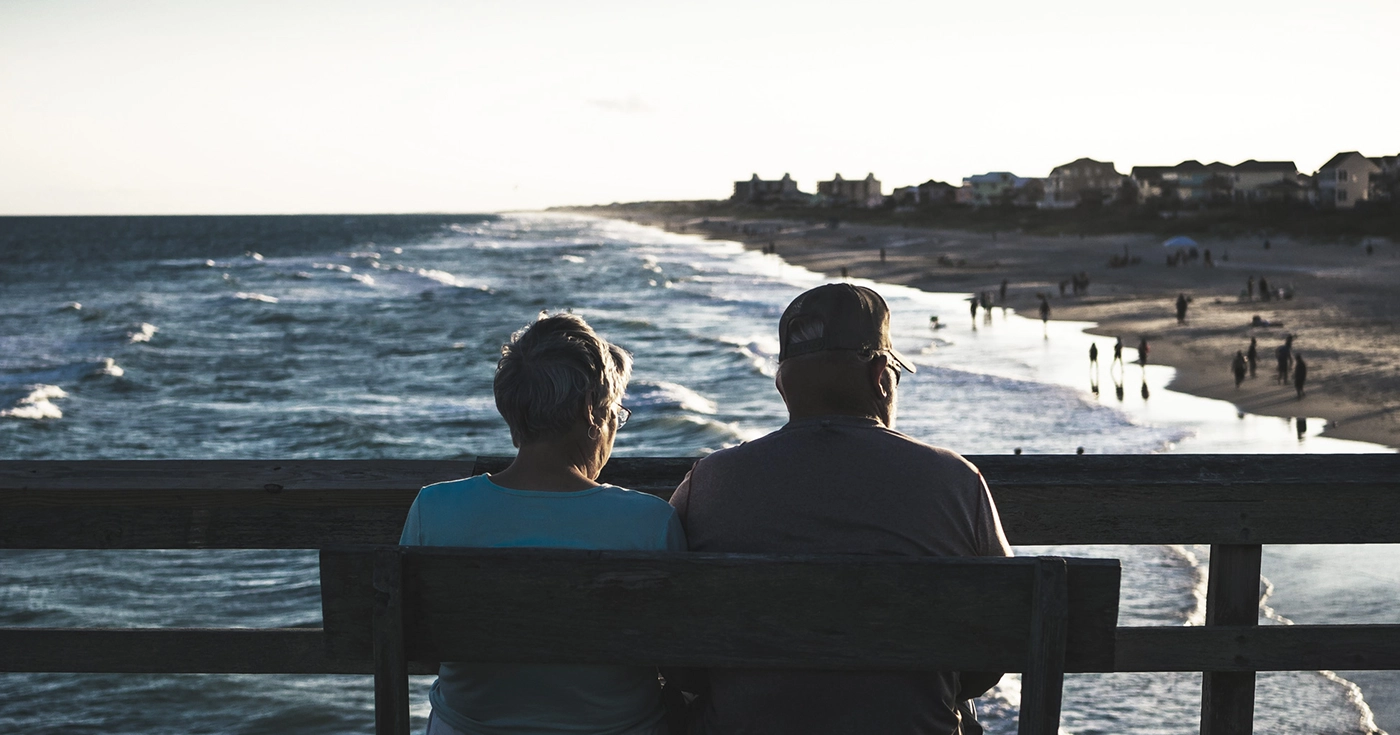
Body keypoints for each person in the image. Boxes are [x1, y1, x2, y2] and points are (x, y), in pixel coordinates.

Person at [669, 283, 1012, 735]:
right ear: (880, 377)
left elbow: (671, 637)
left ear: (782, 385)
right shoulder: (956, 480)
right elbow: (1005, 630)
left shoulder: (708, 481)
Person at [399, 313, 682, 735]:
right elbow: (684, 659)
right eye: (615, 416)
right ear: (592, 413)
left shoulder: (434, 508)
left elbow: (412, 643)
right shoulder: (651, 522)